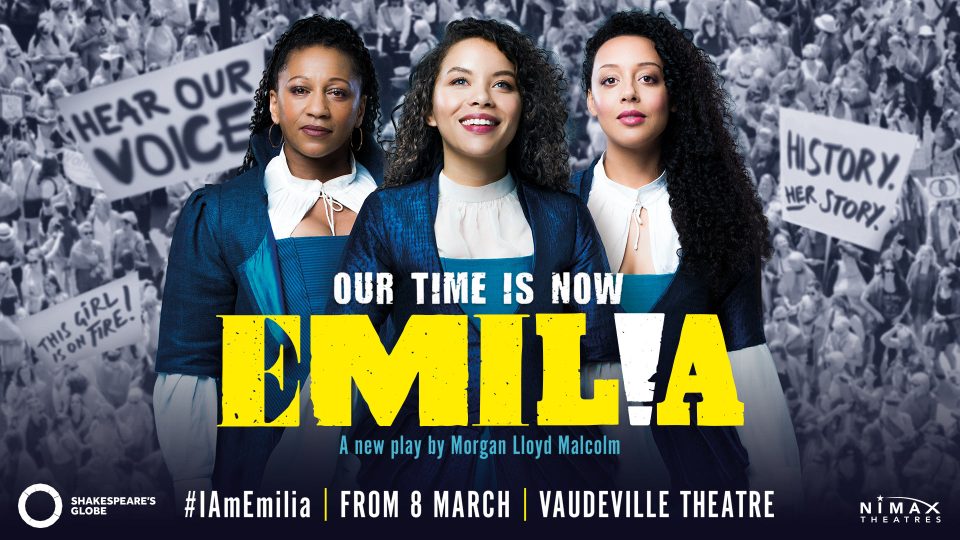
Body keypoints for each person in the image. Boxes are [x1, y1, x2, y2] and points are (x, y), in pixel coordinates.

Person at [331, 17, 617, 491]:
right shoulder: (387, 215)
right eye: (460, 80)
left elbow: (602, 366)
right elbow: (341, 364)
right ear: (428, 108)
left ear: (523, 107)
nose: (480, 97)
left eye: (501, 84)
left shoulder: (564, 219)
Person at [570, 11, 802, 509]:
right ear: (591, 100)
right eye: (610, 80)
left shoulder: (721, 216)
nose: (629, 93)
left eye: (647, 78)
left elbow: (747, 366)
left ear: (672, 95)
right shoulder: (550, 211)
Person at [154, 15, 384, 497]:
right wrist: (192, 486)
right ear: (275, 106)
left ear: (361, 110)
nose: (317, 108)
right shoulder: (222, 215)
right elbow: (191, 359)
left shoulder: (411, 203)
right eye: (300, 90)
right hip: (260, 479)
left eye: (338, 92)